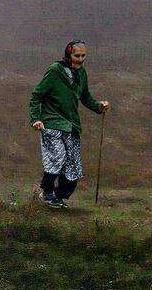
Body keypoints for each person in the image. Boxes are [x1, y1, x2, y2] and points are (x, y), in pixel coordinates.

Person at [28, 40, 110, 208]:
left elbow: (85, 97)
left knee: (73, 166)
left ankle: (58, 196)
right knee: (56, 158)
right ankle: (47, 192)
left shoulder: (81, 74)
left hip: (71, 125)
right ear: (68, 55)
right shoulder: (54, 71)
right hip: (52, 122)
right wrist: (36, 118)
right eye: (76, 55)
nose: (80, 59)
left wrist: (98, 106)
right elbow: (37, 96)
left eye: (83, 55)